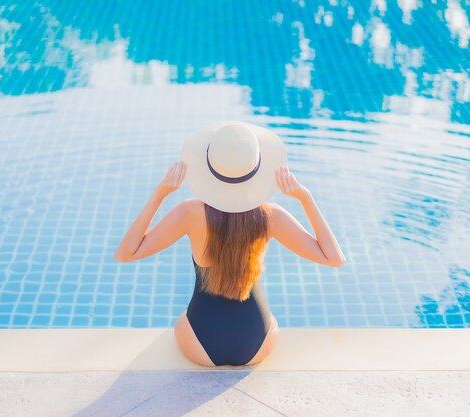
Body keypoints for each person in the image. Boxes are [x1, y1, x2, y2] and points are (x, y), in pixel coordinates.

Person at [114, 121, 346, 367]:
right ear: (257, 169)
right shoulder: (270, 217)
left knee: (181, 321)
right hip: (256, 342)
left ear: (209, 167)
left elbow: (126, 253)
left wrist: (159, 194)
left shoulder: (189, 213)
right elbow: (333, 258)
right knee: (274, 322)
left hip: (199, 343)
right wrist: (305, 198)